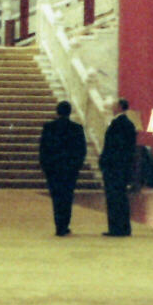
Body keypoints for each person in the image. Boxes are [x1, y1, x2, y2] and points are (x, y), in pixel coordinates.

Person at [38, 101, 87, 237]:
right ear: (70, 112)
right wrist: (76, 167)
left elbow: (43, 150)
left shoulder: (49, 127)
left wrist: (46, 167)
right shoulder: (77, 128)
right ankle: (64, 225)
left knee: (56, 197)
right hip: (70, 170)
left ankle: (59, 225)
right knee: (67, 197)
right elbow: (81, 150)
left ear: (57, 111)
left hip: (53, 169)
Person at [99, 99, 137, 237]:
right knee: (121, 197)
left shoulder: (119, 124)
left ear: (120, 107)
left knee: (114, 198)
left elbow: (113, 147)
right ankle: (123, 227)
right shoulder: (128, 124)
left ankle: (116, 228)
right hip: (121, 167)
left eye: (114, 105)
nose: (112, 107)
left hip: (114, 167)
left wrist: (105, 162)